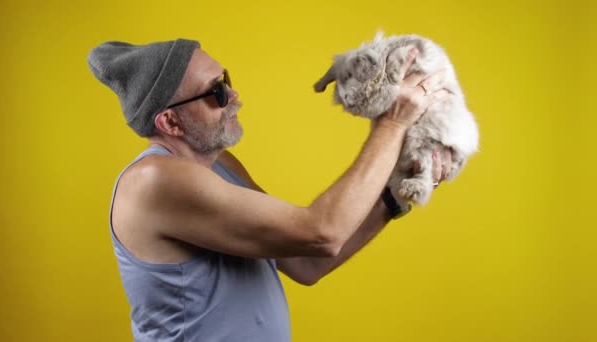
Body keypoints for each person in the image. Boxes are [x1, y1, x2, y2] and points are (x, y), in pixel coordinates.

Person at [88, 38, 452, 342]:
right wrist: (393, 122)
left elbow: (306, 262)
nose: (233, 95)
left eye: (225, 79)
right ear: (170, 122)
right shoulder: (154, 181)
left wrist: (394, 197)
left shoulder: (220, 166)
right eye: (215, 92)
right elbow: (322, 232)